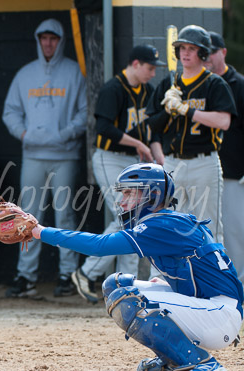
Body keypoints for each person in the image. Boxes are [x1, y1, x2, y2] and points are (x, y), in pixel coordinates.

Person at [32, 163, 243, 371]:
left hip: (219, 315)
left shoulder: (161, 224)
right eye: (123, 192)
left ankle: (201, 363)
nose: (122, 200)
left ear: (153, 195)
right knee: (115, 284)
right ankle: (172, 357)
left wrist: (40, 231)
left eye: (130, 192)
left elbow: (99, 246)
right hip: (207, 308)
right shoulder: (166, 221)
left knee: (128, 299)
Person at [71, 45, 165, 304]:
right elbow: (103, 127)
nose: (152, 72)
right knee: (128, 217)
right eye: (149, 67)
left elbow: (153, 129)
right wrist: (139, 145)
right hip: (109, 157)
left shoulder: (148, 91)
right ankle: (86, 272)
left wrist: (156, 153)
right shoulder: (113, 88)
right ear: (135, 64)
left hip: (133, 161)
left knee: (134, 220)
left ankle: (128, 285)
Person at [2, 18, 87, 298]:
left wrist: (64, 134)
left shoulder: (75, 72)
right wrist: (24, 134)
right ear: (38, 41)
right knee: (27, 216)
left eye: (53, 39)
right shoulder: (25, 74)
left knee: (65, 214)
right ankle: (25, 277)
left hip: (65, 155)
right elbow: (10, 112)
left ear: (61, 41)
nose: (48, 43)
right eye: (44, 39)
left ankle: (67, 275)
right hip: (34, 156)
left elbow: (85, 113)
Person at [146, 25, 236, 245]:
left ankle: (214, 278)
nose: (185, 53)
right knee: (165, 225)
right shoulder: (169, 84)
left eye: (192, 48)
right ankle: (161, 278)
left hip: (203, 163)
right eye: (182, 48)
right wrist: (168, 110)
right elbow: (152, 124)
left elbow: (224, 121)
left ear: (203, 53)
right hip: (172, 163)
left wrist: (187, 110)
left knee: (209, 227)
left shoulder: (214, 83)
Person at [204, 31, 244, 284]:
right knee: (214, 233)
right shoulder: (200, 84)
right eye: (202, 52)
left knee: (235, 234)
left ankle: (239, 286)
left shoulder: (239, 84)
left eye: (210, 51)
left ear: (223, 53)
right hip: (206, 169)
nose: (205, 57)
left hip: (234, 173)